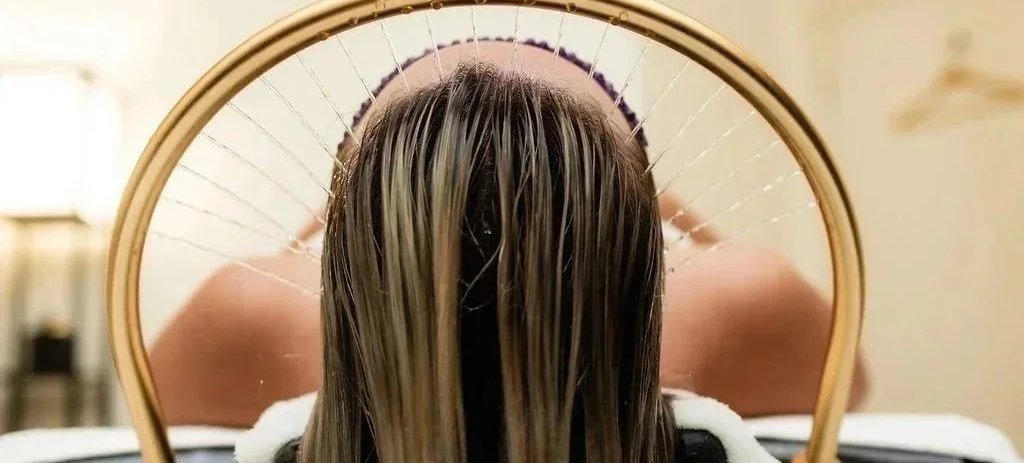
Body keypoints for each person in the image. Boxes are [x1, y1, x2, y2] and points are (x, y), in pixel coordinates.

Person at [149, 39, 869, 438]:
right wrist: (700, 233)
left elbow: (156, 416)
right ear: (635, 230)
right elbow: (849, 391)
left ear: (354, 229)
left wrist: (301, 241)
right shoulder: (742, 290)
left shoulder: (250, 305)